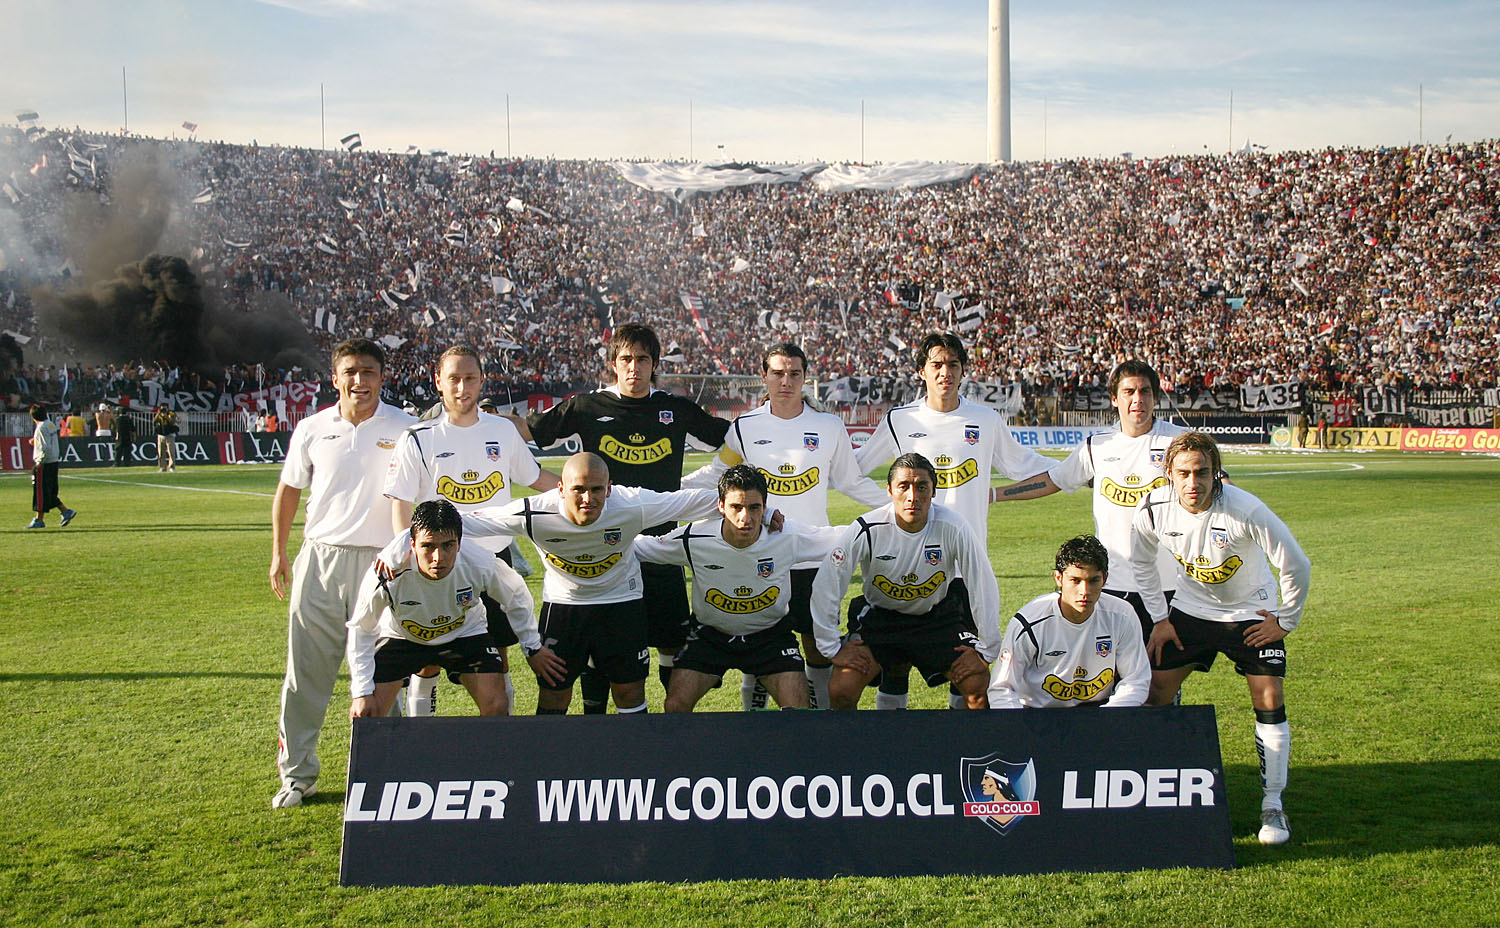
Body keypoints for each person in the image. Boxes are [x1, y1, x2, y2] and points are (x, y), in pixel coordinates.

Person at [378, 452, 718, 715]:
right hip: (564, 608)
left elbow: (700, 501)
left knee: (630, 692)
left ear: (609, 489)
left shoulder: (633, 504)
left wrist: (763, 513)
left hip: (621, 604)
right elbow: (464, 522)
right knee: (555, 692)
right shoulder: (533, 512)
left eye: (597, 489)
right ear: (560, 489)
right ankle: (549, 769)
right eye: (578, 490)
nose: (588, 498)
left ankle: (636, 769)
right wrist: (399, 546)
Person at [507, 323, 731, 711]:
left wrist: (709, 475)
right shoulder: (587, 406)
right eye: (626, 359)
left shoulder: (673, 409)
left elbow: (731, 438)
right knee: (602, 643)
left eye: (642, 359)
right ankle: (598, 722)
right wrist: (471, 421)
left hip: (661, 546)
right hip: (603, 546)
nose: (634, 367)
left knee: (672, 642)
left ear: (654, 364)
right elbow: (527, 431)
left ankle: (672, 721)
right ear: (613, 363)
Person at [682, 343, 888, 709]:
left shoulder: (828, 426)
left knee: (817, 642)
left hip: (813, 557)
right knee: (756, 636)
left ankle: (821, 721)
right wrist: (663, 490)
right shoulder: (745, 427)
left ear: (805, 377)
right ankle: (753, 715)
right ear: (764, 376)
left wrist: (895, 510)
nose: (786, 381)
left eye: (794, 373)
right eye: (778, 373)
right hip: (761, 554)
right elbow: (716, 474)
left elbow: (851, 481)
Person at [1130, 431, 1311, 846]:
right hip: (1191, 612)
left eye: (1202, 473)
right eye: (1184, 474)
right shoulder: (1154, 509)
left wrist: (1285, 620)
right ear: (1168, 475)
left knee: (1268, 700)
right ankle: (1152, 788)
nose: (1193, 483)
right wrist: (1160, 618)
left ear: (1216, 474)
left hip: (1251, 614)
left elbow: (1296, 563)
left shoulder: (1245, 509)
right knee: (1155, 690)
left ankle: (1272, 806)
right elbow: (1140, 562)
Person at [854, 332, 1051, 709]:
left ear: (963, 372)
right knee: (895, 667)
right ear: (922, 372)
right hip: (906, 559)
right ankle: (891, 750)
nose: (945, 372)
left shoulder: (985, 420)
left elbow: (1025, 464)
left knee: (966, 669)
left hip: (965, 567)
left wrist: (1080, 469)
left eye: (953, 365)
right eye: (937, 365)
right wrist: (889, 502)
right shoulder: (900, 419)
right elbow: (855, 468)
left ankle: (957, 750)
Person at [268, 337, 416, 809]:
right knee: (305, 672)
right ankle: (298, 777)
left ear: (381, 377)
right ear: (335, 378)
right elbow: (288, 492)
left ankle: (381, 773)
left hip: (383, 562)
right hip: (321, 557)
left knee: (383, 674)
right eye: (350, 371)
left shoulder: (407, 427)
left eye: (369, 371)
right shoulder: (312, 428)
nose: (360, 380)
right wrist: (279, 553)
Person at [384, 345, 560, 716]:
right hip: (438, 559)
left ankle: (502, 734)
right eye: (454, 379)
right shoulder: (419, 436)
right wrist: (406, 552)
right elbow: (399, 501)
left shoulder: (502, 431)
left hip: (493, 558)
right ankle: (423, 734)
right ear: (439, 383)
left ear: (482, 381)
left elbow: (535, 478)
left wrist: (579, 487)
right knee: (427, 658)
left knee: (499, 651)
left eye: (469, 378)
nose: (462, 387)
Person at [991, 359, 1189, 641]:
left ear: (1156, 397)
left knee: (1162, 682)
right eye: (1129, 392)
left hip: (1168, 584)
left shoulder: (1179, 442)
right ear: (1114, 398)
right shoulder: (1097, 446)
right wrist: (994, 494)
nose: (1137, 400)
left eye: (1145, 392)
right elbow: (1053, 480)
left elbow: (1216, 487)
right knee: (1107, 674)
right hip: (1112, 585)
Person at [635, 464, 841, 712]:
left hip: (770, 638)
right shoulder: (693, 538)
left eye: (754, 508)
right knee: (675, 706)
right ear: (721, 506)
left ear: (765, 507)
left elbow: (846, 537)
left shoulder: (787, 535)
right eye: (736, 507)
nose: (746, 518)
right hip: (710, 637)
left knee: (798, 711)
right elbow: (639, 548)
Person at [810, 453, 1000, 710]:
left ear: (933, 492)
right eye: (904, 486)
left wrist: (986, 651)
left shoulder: (953, 527)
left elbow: (982, 584)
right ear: (889, 490)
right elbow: (827, 584)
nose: (913, 496)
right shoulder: (867, 529)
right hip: (881, 619)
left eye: (922, 486)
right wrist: (832, 647)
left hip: (936, 619)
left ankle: (970, 747)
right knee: (842, 688)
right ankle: (847, 749)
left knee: (977, 683)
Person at [346, 500, 564, 718]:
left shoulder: (480, 563)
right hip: (402, 638)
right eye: (428, 546)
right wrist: (361, 692)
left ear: (459, 544)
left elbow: (516, 594)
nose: (438, 557)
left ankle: (493, 753)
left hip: (465, 634)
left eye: (448, 546)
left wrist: (532, 647)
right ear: (412, 544)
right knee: (368, 713)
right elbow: (361, 628)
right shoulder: (387, 573)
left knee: (497, 706)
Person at [987, 535, 1149, 709]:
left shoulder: (1122, 615)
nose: (1084, 591)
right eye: (1075, 580)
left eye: (1094, 580)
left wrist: (1106, 719)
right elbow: (1002, 688)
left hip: (1098, 713)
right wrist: (1023, 729)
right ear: (1059, 578)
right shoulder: (1029, 622)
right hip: (1039, 716)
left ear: (1105, 578)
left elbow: (1136, 680)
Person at [27, 405, 77, 529]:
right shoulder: (50, 425)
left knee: (41, 492)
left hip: (44, 463)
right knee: (48, 491)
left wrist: (40, 461)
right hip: (53, 461)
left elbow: (45, 447)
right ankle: (65, 511)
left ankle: (39, 519)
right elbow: (49, 442)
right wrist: (36, 442)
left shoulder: (41, 428)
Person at [153, 406, 179, 472]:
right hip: (161, 435)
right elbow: (154, 422)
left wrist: (166, 417)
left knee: (171, 452)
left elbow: (173, 422)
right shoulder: (159, 415)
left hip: (170, 435)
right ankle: (162, 467)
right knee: (161, 452)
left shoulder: (171, 414)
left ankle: (172, 467)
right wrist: (158, 414)